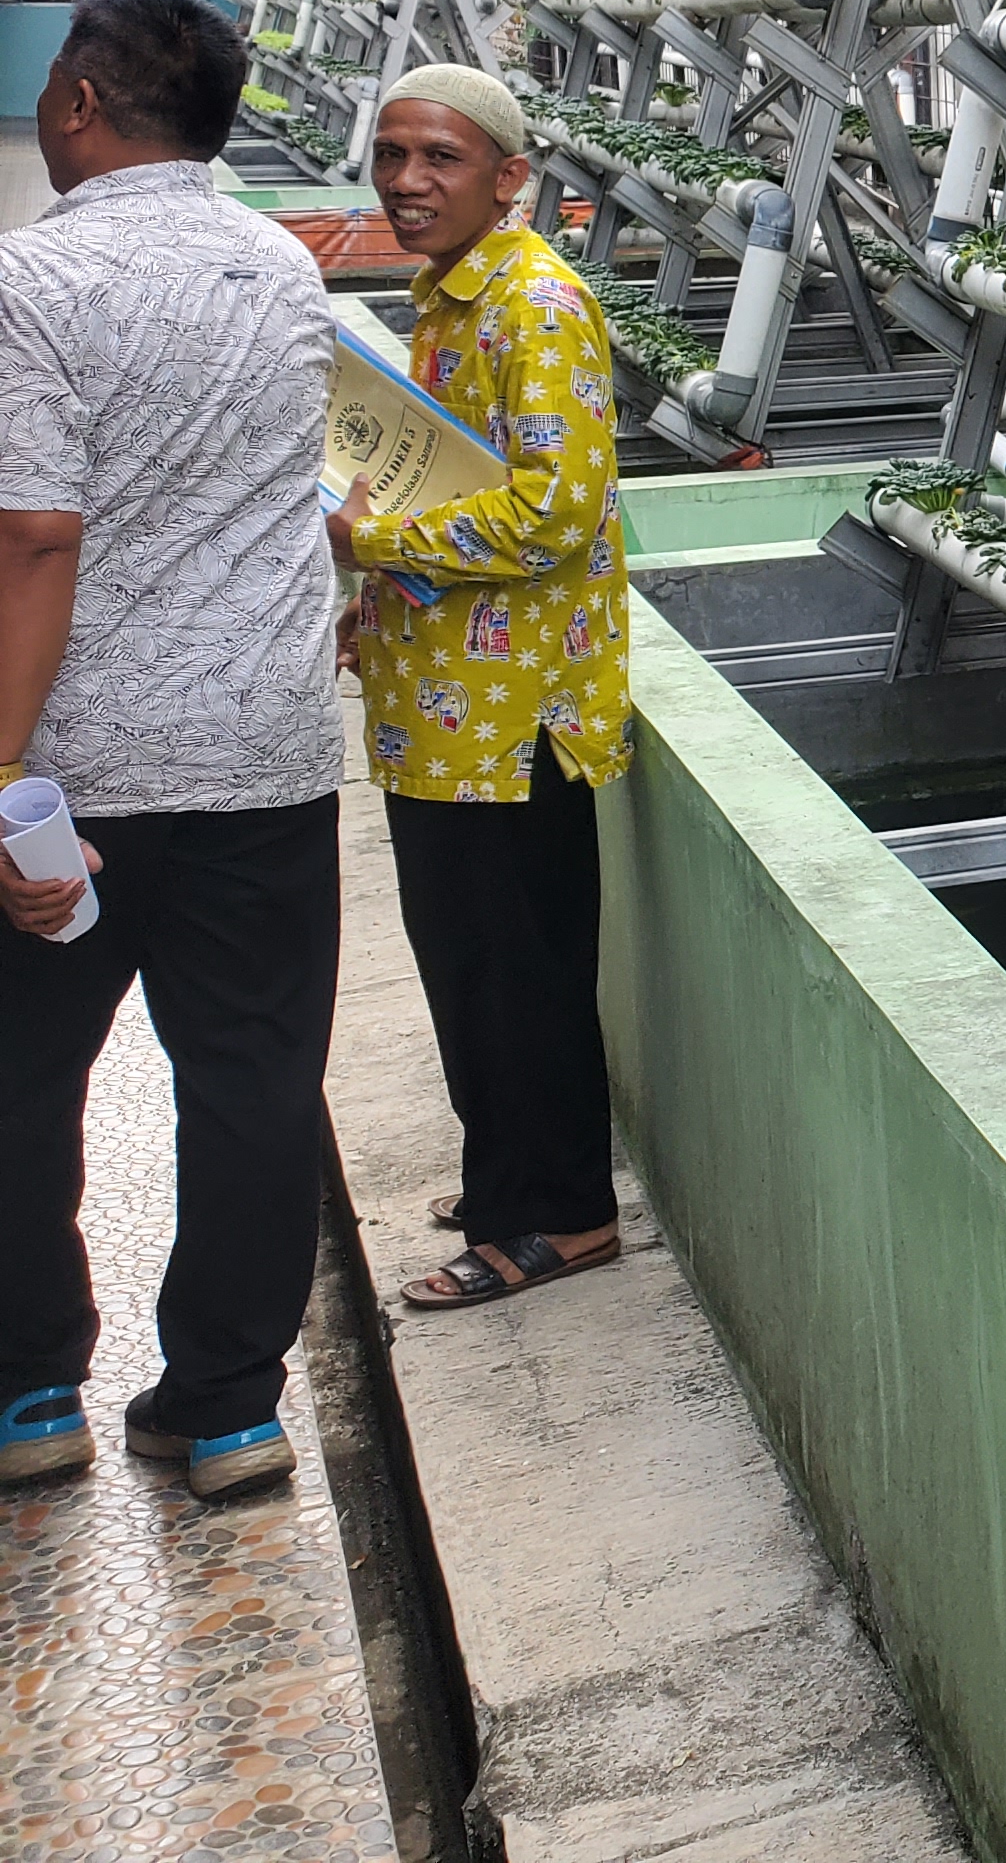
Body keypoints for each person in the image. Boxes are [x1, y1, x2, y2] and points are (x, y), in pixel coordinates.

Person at [0, 0, 345, 1503]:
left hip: (69, 769)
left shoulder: (30, 280)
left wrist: (0, 769)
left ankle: (31, 1392)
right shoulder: (283, 266)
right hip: (265, 753)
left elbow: (33, 538)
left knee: (21, 1080)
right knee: (254, 1080)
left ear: (79, 103)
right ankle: (226, 1411)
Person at [330, 64, 633, 1315]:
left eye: (440, 159)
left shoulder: (535, 305)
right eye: (392, 155)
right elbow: (459, 482)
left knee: (514, 974)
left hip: (509, 724)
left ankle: (557, 1215)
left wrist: (371, 544)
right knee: (471, 966)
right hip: (445, 703)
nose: (407, 182)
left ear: (510, 178)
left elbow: (555, 511)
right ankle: (510, 1174)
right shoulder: (454, 297)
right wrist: (375, 603)